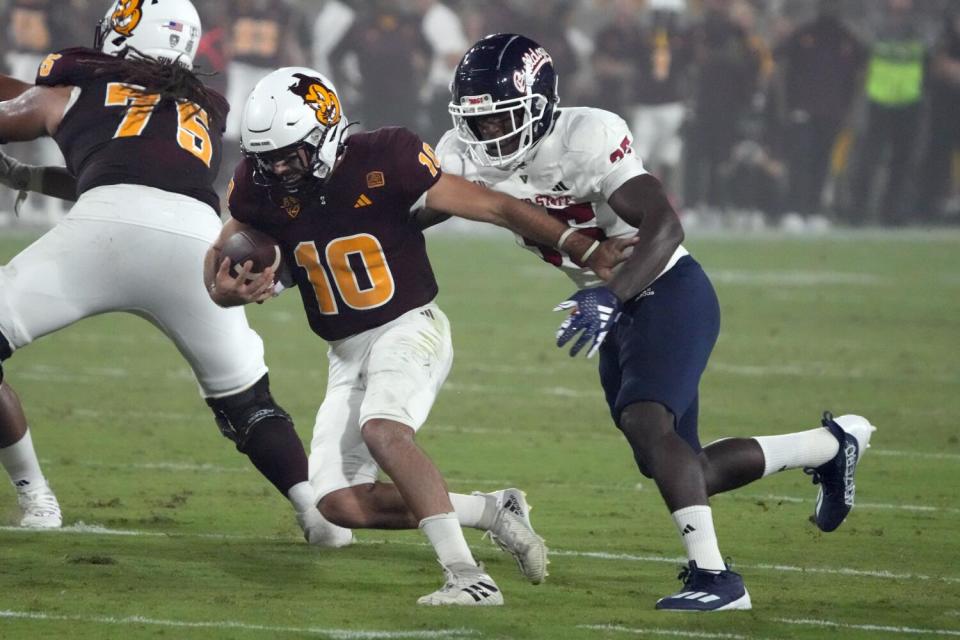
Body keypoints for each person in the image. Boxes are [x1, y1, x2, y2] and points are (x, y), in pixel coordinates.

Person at [433, 33, 877, 611]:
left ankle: (717, 580)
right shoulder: (459, 153)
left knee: (649, 424)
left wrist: (612, 296)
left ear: (541, 105)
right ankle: (827, 445)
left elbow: (666, 225)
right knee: (678, 466)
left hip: (665, 290)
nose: (486, 136)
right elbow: (411, 209)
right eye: (478, 122)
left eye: (500, 119)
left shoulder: (586, 136)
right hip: (610, 308)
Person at [206, 66, 631, 605]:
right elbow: (218, 262)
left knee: (385, 431)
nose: (279, 168)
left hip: (409, 325)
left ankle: (466, 575)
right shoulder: (259, 184)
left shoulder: (388, 157)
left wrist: (584, 248)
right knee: (338, 503)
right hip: (344, 351)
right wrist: (226, 292)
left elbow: (498, 206)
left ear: (328, 130)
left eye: (290, 154)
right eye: (267, 157)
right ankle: (493, 510)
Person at [0, 0, 347, 547]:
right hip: (194, 242)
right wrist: (27, 176)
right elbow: (138, 172)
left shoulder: (78, 86)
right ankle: (317, 514)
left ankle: (35, 497)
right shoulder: (204, 107)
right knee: (248, 403)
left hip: (100, 232)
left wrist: (23, 135)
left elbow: (107, 175)